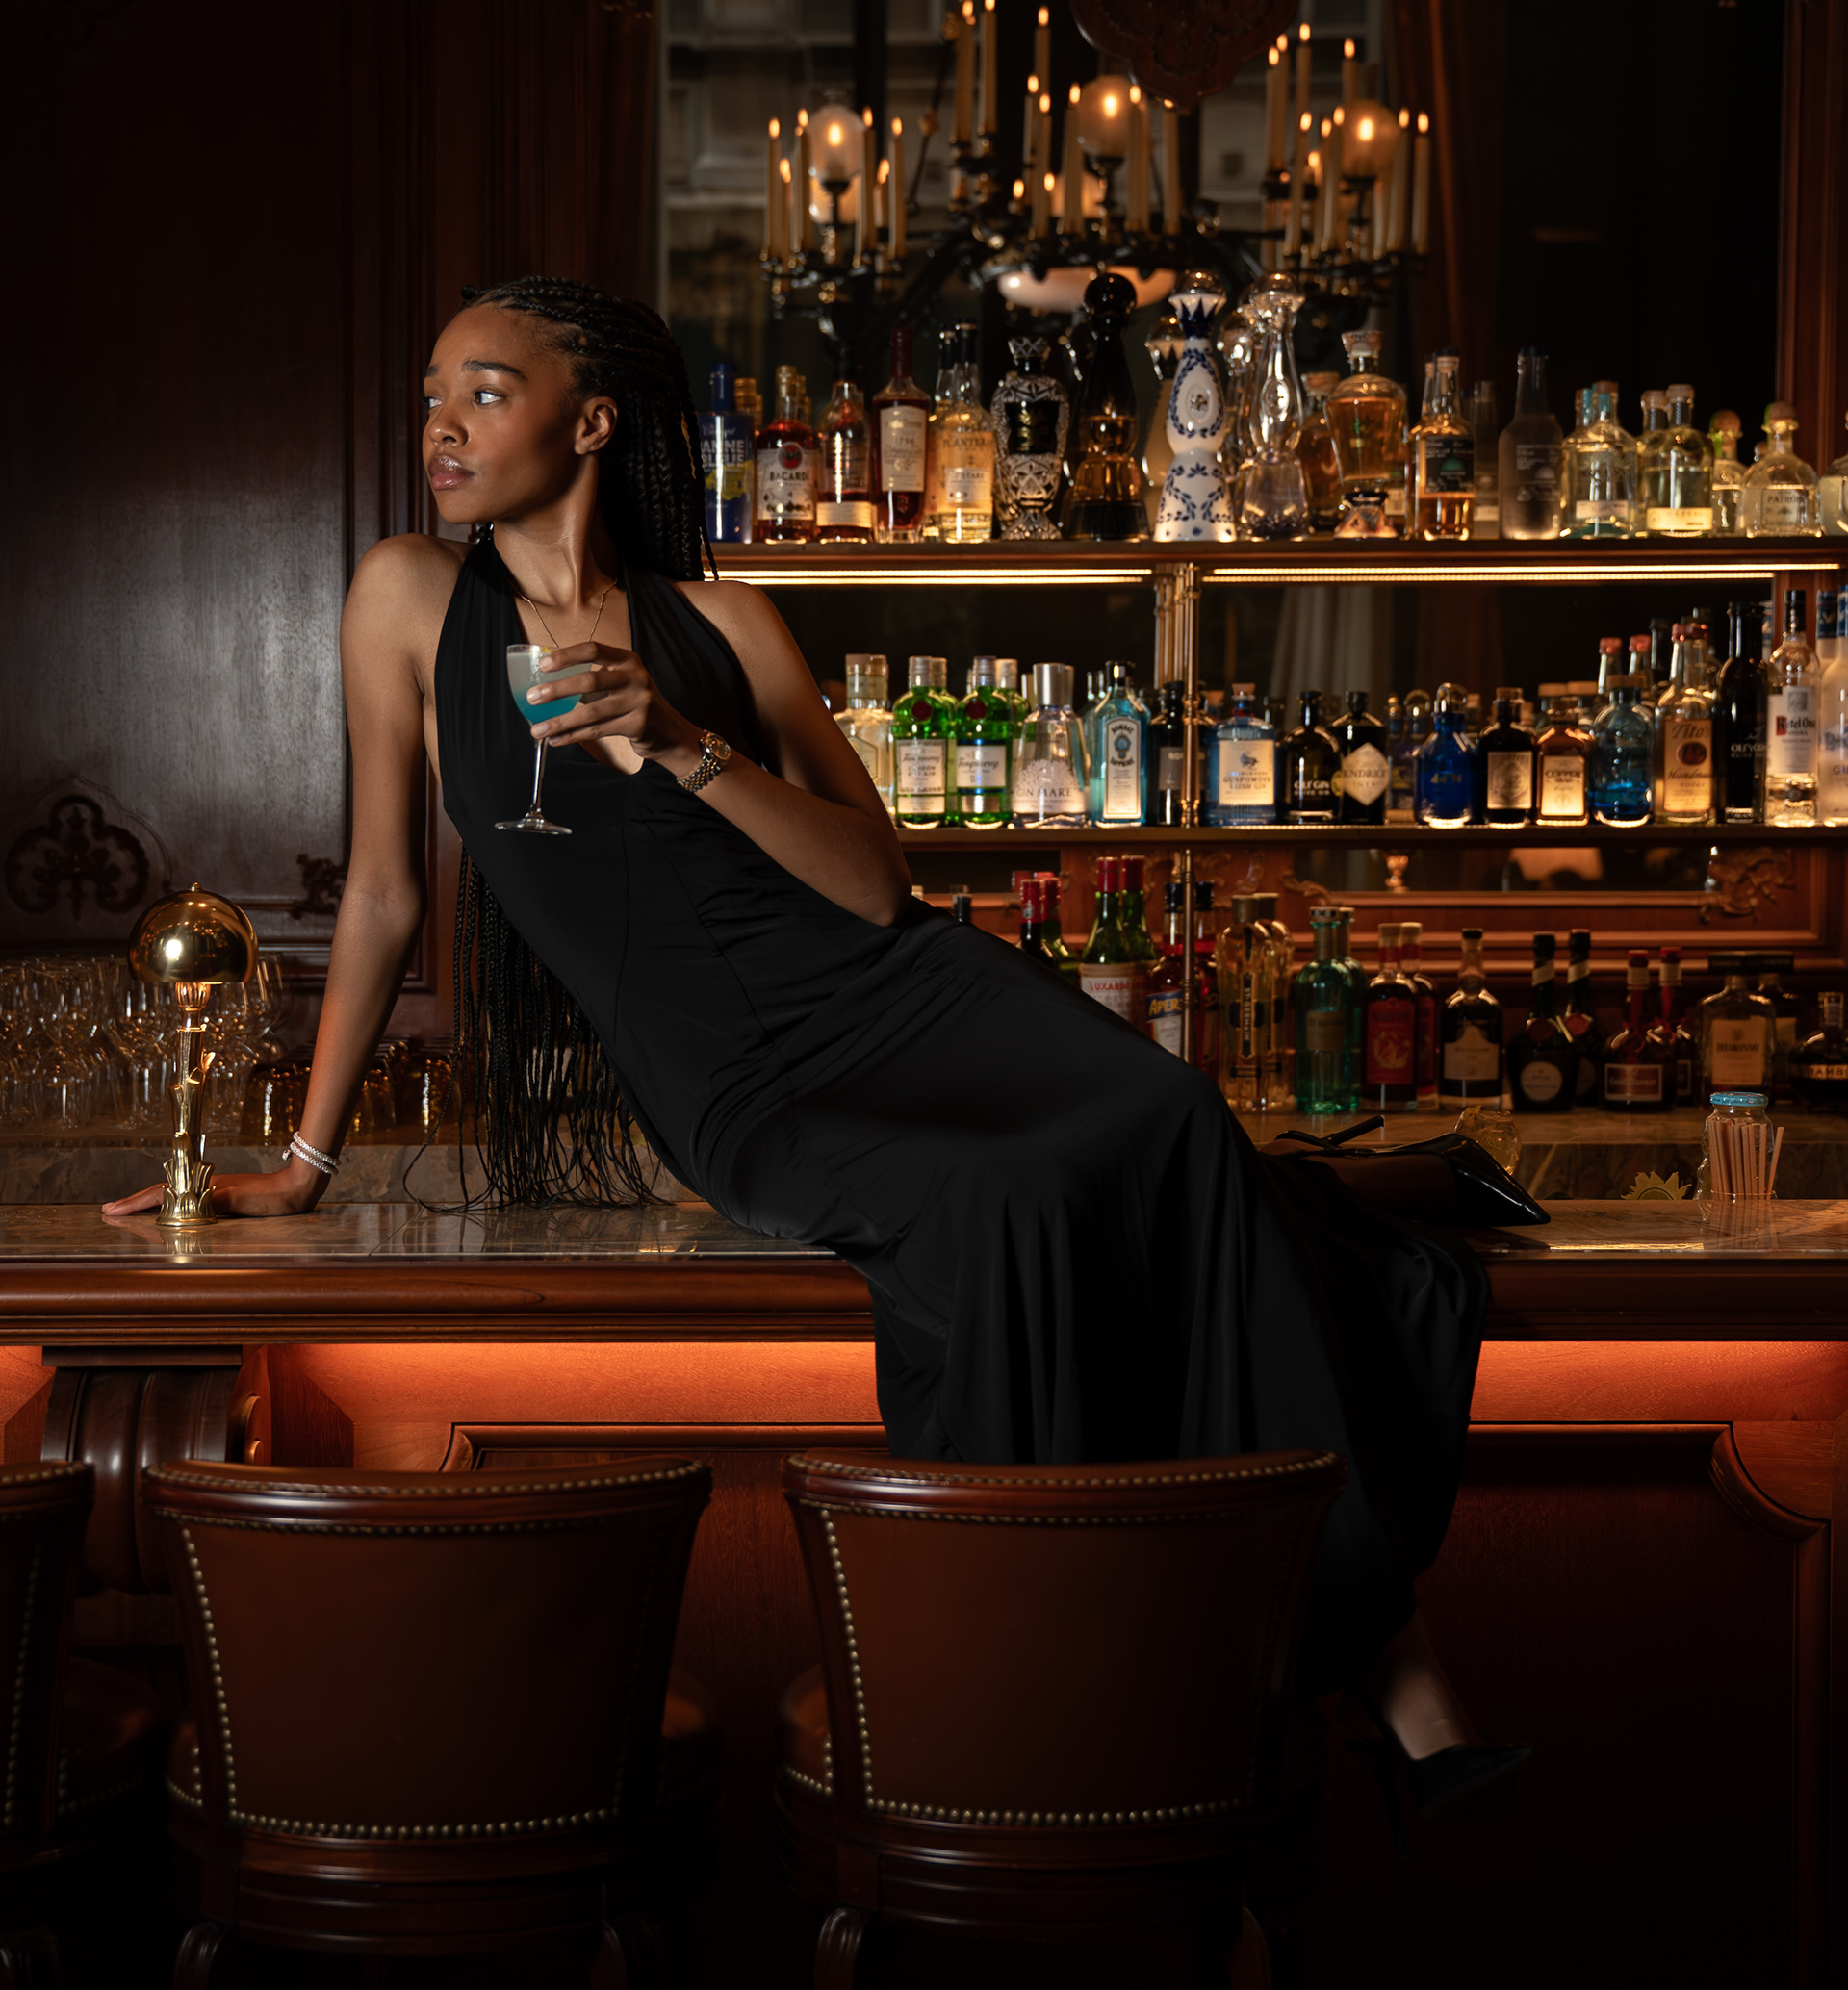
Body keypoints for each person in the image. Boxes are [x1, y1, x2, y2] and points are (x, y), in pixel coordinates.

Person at [106, 276, 1520, 1813]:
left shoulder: (724, 627)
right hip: (738, 1074)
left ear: (593, 422)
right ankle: (1020, 1677)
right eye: (434, 395)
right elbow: (385, 892)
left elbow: (873, 885)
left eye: (485, 392)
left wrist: (680, 744)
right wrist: (305, 1163)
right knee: (994, 1201)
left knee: (1174, 1113)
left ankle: (1384, 1655)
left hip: (910, 995)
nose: (442, 425)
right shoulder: (403, 597)